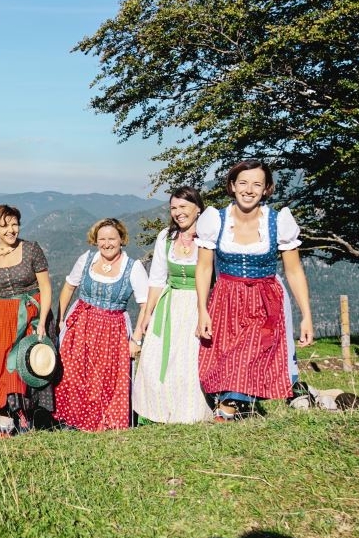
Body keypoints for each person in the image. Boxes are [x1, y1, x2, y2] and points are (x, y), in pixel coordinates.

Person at [195, 159, 314, 420]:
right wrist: (202, 310)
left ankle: (226, 410)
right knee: (225, 356)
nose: (249, 190)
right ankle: (236, 404)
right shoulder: (216, 219)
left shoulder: (278, 221)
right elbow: (204, 268)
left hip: (265, 297)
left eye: (257, 184)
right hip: (226, 296)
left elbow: (294, 271)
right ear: (232, 186)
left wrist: (306, 315)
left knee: (248, 351)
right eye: (243, 183)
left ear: (266, 189)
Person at [53, 219, 148, 431]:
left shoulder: (133, 268)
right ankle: (70, 422)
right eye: (102, 239)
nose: (107, 243)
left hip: (112, 330)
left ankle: (103, 424)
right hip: (80, 326)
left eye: (112, 238)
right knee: (73, 375)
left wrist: (137, 337)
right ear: (95, 241)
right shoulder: (86, 259)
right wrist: (60, 319)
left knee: (106, 380)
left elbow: (145, 305)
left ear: (121, 239)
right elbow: (69, 287)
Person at [132, 187, 213, 424]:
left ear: (198, 208)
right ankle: (159, 413)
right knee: (156, 362)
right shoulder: (166, 237)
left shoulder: (209, 237)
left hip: (200, 304)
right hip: (171, 304)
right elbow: (157, 278)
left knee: (189, 361)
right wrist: (147, 314)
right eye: (174, 208)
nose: (178, 213)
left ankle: (192, 415)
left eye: (183, 207)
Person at [0, 204, 52, 436]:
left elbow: (46, 287)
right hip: (0, 315)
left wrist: (43, 321)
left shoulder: (32, 249)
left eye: (15, 224)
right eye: (5, 226)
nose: (11, 230)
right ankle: (5, 423)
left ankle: (25, 420)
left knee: (22, 367)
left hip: (30, 314)